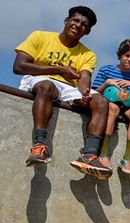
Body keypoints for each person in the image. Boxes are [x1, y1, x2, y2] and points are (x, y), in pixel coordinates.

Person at [16, 6, 109, 179]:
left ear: (87, 32)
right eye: (75, 20)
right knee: (47, 86)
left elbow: (84, 77)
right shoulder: (40, 36)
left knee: (101, 101)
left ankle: (89, 155)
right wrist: (58, 70)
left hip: (67, 87)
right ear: (66, 21)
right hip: (38, 79)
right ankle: (39, 145)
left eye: (84, 24)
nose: (78, 25)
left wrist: (85, 93)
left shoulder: (88, 54)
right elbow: (19, 66)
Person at [90, 39, 130, 174]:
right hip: (109, 104)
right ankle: (104, 153)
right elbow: (94, 93)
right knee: (113, 108)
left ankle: (127, 158)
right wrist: (107, 83)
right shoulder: (106, 70)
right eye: (127, 55)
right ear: (120, 55)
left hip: (128, 106)